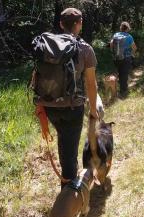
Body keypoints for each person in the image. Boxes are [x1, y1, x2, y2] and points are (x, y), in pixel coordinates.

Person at [33, 8, 100, 188]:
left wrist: (41, 104)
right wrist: (93, 111)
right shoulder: (85, 49)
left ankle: (68, 180)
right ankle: (69, 193)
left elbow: (37, 74)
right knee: (69, 151)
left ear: (61, 24)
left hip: (49, 106)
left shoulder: (48, 46)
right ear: (79, 24)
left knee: (64, 140)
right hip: (72, 107)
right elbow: (91, 84)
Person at [110, 22, 136, 98]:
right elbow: (134, 48)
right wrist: (132, 54)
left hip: (116, 58)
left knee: (118, 73)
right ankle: (123, 92)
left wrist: (113, 53)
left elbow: (111, 44)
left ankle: (114, 91)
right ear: (127, 28)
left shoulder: (116, 35)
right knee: (124, 75)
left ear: (121, 28)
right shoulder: (129, 36)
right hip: (126, 58)